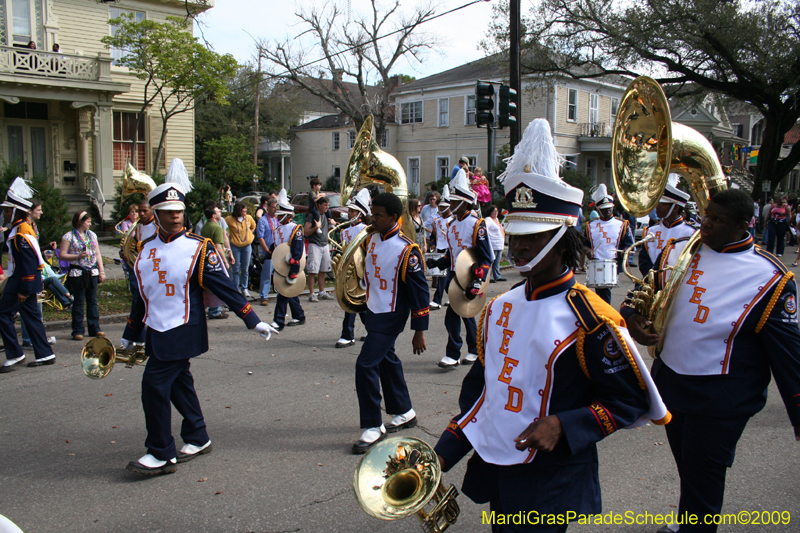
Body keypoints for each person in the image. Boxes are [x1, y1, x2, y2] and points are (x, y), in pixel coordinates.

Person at [433, 119, 667, 532]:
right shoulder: (500, 307)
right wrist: (444, 453)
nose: (519, 245)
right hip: (500, 466)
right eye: (516, 234)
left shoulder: (591, 316)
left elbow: (629, 399)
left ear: (561, 239)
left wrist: (564, 424)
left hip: (553, 476)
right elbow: (483, 391)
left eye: (533, 237)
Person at [622, 188, 800, 533]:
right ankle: (688, 522)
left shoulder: (771, 276)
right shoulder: (681, 250)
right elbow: (644, 289)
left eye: (719, 221)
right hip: (672, 381)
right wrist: (632, 318)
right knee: (688, 465)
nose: (707, 225)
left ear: (743, 226)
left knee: (705, 470)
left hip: (723, 394)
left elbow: (788, 351)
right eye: (707, 216)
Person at [121, 182, 277, 475]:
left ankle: (161, 452)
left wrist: (252, 319)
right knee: (179, 384)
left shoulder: (198, 247)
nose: (175, 216)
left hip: (184, 328)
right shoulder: (144, 250)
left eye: (179, 210)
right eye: (168, 211)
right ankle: (198, 436)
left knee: (154, 386)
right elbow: (143, 297)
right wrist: (130, 333)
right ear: (155, 214)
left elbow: (226, 287)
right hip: (157, 331)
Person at [351, 192, 429, 453]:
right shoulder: (371, 239)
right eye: (372, 214)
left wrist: (419, 330)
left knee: (365, 364)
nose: (373, 219)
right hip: (374, 310)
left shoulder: (407, 250)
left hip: (392, 314)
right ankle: (404, 411)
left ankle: (373, 426)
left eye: (379, 215)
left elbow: (420, 293)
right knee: (387, 359)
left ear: (394, 217)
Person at [426, 170, 493, 368]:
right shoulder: (453, 224)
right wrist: (439, 263)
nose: (451, 205)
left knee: (453, 316)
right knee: (465, 314)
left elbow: (486, 256)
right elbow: (452, 254)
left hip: (472, 276)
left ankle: (453, 353)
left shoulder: (476, 224)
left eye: (455, 202)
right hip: (455, 275)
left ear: (465, 202)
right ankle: (474, 350)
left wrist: (479, 280)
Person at [0, 178, 57, 372]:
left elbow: (29, 263)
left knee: (3, 314)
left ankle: (15, 354)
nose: (4, 213)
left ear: (16, 211)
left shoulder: (21, 232)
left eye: (7, 210)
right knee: (31, 318)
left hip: (21, 282)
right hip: (24, 282)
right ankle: (45, 353)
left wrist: (24, 288)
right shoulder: (20, 229)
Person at [583, 184, 633, 304]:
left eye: (609, 208)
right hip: (596, 262)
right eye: (604, 209)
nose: (608, 211)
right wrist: (587, 251)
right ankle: (604, 314)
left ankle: (604, 314)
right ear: (598, 209)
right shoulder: (591, 225)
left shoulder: (622, 224)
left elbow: (629, 244)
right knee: (601, 291)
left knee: (604, 291)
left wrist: (626, 251)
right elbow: (583, 244)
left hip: (613, 263)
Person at [60, 210, 105, 341]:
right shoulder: (69, 236)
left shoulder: (92, 235)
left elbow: (97, 254)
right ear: (80, 222)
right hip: (78, 272)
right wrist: (77, 256)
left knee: (92, 301)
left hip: (92, 271)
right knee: (79, 301)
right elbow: (62, 254)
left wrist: (101, 271)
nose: (90, 224)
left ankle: (95, 327)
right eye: (88, 221)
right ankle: (77, 330)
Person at [638, 176, 696, 277]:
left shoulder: (690, 233)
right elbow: (644, 261)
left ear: (675, 208)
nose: (657, 206)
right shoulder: (650, 230)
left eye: (662, 204)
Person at [335, 189, 370, 348]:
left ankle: (347, 334)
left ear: (360, 213)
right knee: (358, 303)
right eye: (349, 210)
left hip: (360, 271)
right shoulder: (345, 230)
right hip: (348, 271)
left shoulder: (365, 229)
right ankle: (371, 329)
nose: (348, 213)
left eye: (352, 211)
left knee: (350, 303)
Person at [270, 190, 306, 330]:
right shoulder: (277, 229)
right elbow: (277, 248)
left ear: (287, 215)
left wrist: (294, 270)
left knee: (283, 291)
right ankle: (299, 315)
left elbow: (297, 250)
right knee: (288, 291)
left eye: (280, 215)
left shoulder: (295, 228)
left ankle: (278, 321)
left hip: (291, 265)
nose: (277, 218)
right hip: (281, 264)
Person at [201, 203, 232, 320]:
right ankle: (215, 310)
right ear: (214, 216)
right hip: (216, 260)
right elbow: (218, 246)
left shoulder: (205, 226)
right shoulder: (217, 227)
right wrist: (225, 260)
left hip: (207, 259)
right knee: (219, 284)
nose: (220, 213)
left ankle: (210, 308)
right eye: (218, 212)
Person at [426, 186, 453, 310]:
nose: (441, 209)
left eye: (444, 207)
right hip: (440, 249)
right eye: (440, 207)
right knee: (444, 276)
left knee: (443, 275)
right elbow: (433, 235)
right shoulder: (436, 221)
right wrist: (433, 243)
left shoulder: (453, 220)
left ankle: (437, 300)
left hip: (449, 250)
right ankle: (453, 298)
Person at [304, 195, 334, 302]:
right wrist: (316, 227)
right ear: (319, 205)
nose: (327, 207)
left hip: (325, 244)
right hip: (315, 245)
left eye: (328, 205)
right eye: (325, 205)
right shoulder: (312, 216)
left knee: (323, 269)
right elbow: (306, 231)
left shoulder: (325, 215)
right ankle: (312, 293)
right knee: (313, 270)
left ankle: (322, 291)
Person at [225, 201, 256, 297]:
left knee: (245, 268)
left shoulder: (249, 218)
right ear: (238, 210)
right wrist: (229, 236)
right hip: (235, 246)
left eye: (246, 210)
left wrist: (249, 234)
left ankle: (245, 288)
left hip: (246, 245)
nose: (245, 212)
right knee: (235, 268)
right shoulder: (229, 219)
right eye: (243, 210)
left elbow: (253, 226)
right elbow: (224, 229)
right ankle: (235, 288)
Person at [255, 198, 278, 306]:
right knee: (267, 274)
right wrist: (267, 250)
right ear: (268, 207)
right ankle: (264, 296)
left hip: (279, 251)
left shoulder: (278, 219)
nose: (275, 209)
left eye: (276, 207)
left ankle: (280, 293)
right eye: (273, 207)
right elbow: (260, 237)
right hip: (268, 251)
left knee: (279, 273)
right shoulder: (263, 220)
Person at [484, 204, 507, 282]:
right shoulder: (488, 220)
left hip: (499, 244)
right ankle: (488, 277)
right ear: (490, 212)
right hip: (493, 244)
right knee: (491, 261)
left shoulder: (496, 220)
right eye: (494, 211)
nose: (496, 213)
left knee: (497, 262)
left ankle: (497, 276)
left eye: (497, 211)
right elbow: (485, 230)